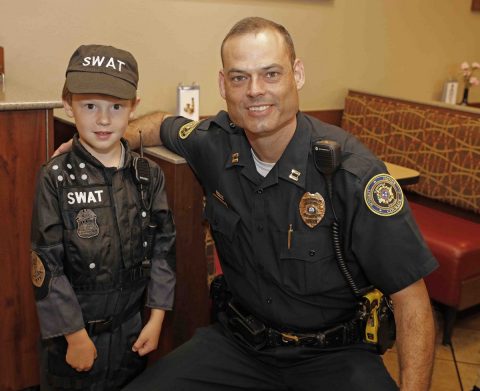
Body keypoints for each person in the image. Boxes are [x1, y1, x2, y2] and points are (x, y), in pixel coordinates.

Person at [57, 17, 437, 391]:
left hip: (334, 357)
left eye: (271, 74)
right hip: (238, 346)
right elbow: (160, 124)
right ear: (223, 85)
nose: (255, 90)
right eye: (240, 77)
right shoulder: (215, 142)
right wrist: (97, 145)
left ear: (297, 75)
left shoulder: (352, 174)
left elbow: (412, 300)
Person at [31, 44, 176, 390]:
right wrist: (76, 336)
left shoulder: (149, 175)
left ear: (133, 108)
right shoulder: (56, 177)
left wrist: (156, 318)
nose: (104, 119)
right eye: (90, 105)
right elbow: (46, 264)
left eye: (116, 106)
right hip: (73, 337)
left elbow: (163, 250)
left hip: (132, 333)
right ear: (68, 105)